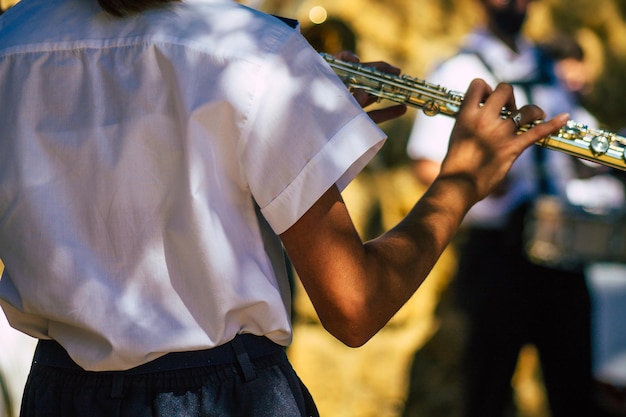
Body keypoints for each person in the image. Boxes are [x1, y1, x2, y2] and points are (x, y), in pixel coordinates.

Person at [0, 0, 567, 415]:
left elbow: (122, 170)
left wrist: (297, 134)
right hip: (225, 396)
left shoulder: (11, 37)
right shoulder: (257, 49)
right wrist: (463, 179)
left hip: (59, 394)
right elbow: (355, 303)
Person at [406, 1, 595, 416]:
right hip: (497, 253)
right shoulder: (457, 69)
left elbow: (581, 143)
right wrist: (480, 178)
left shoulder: (549, 65)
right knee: (489, 384)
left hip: (563, 246)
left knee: (575, 385)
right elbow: (424, 161)